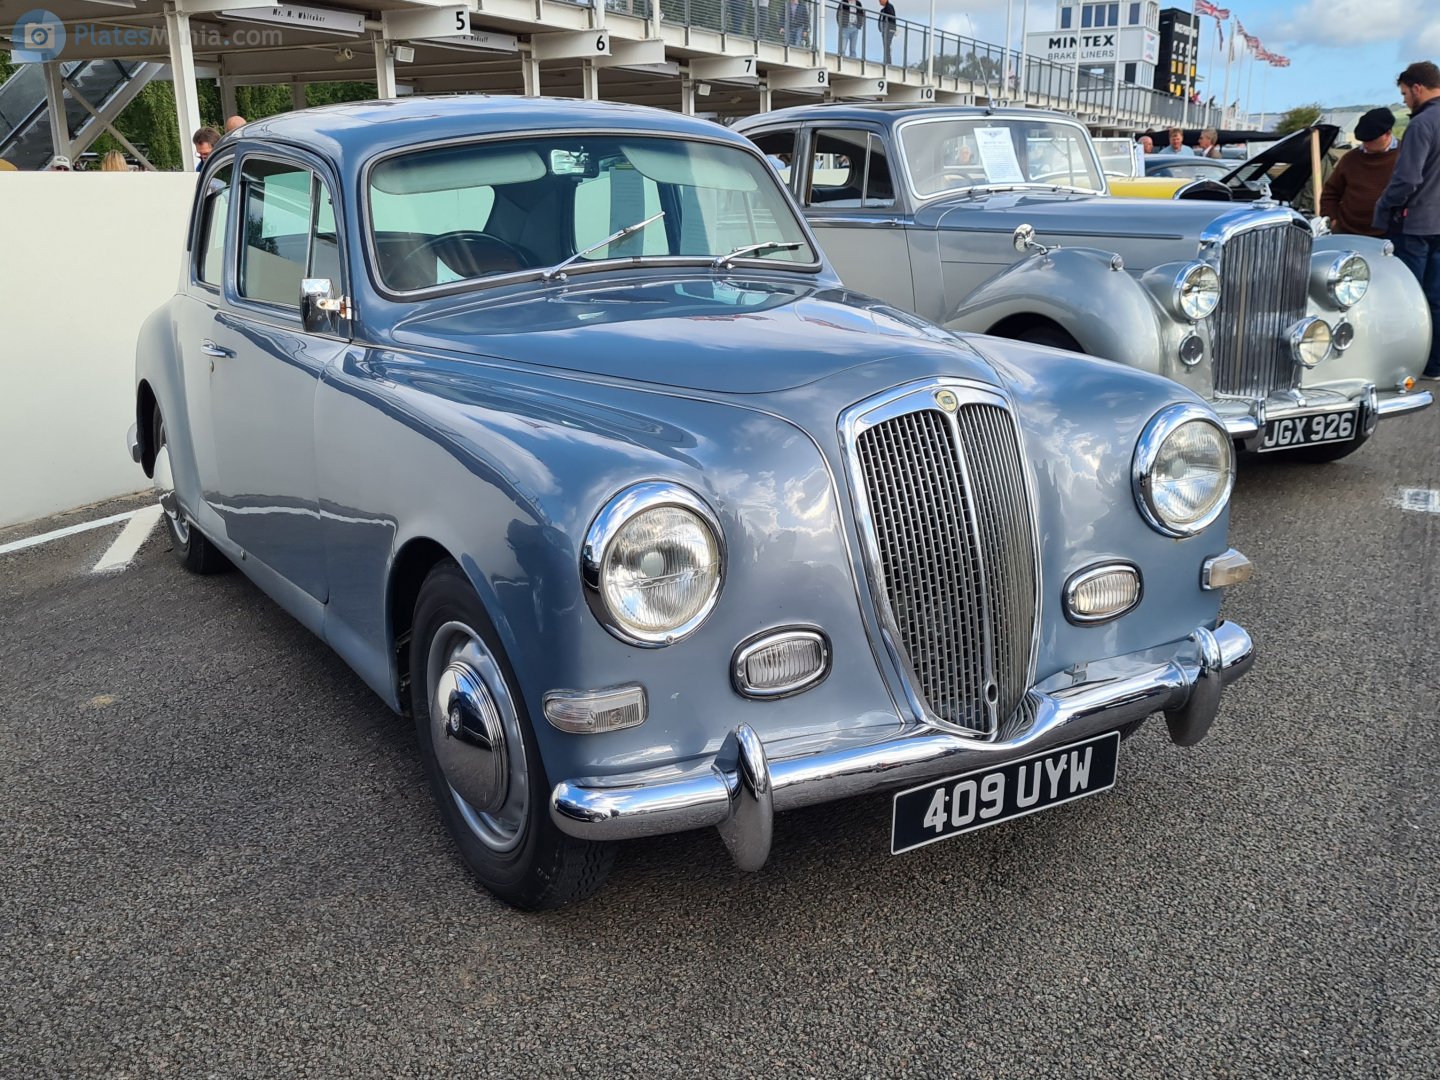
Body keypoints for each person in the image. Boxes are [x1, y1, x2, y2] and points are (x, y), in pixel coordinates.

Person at [1374, 61, 1440, 381]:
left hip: (1416, 225)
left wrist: (1384, 204)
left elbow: (1407, 179)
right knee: (1438, 298)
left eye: (1404, 93)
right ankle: (1436, 364)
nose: (1403, 101)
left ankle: (1405, 365)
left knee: (1407, 299)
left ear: (1417, 88)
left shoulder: (1421, 124)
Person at [1320, 108, 1399, 237]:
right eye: (1363, 140)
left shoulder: (1406, 156)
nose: (1365, 144)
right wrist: (1332, 220)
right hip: (1347, 232)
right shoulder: (1350, 159)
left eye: (1371, 140)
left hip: (1390, 236)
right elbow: (1330, 192)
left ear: (1387, 134)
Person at [879, 0, 896, 65]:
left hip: (888, 30)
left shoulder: (889, 7)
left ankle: (888, 62)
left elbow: (891, 17)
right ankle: (886, 60)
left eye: (880, 0)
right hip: (884, 30)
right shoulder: (883, 10)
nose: (879, 2)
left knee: (887, 45)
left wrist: (889, 28)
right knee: (886, 45)